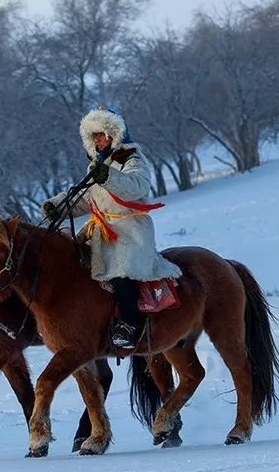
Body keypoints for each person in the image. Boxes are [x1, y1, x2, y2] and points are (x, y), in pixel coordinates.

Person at [42, 108, 181, 349]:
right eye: (94, 136)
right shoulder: (98, 164)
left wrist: (108, 176)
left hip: (130, 229)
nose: (99, 140)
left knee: (120, 269)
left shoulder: (132, 159)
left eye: (103, 134)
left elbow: (137, 186)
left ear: (115, 134)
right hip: (102, 228)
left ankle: (129, 325)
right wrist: (58, 207)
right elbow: (87, 197)